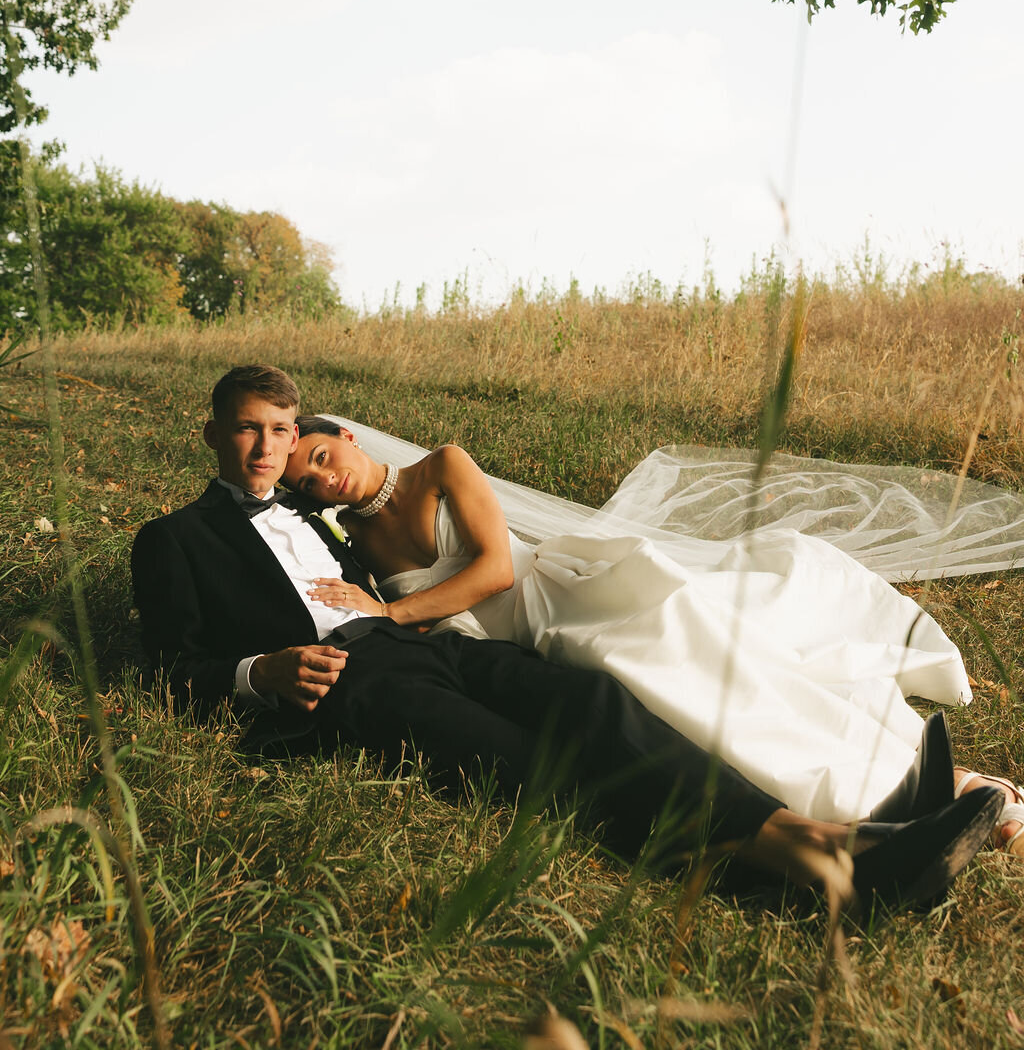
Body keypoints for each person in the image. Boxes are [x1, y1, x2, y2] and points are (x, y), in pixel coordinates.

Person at [131, 363, 1003, 915]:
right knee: (532, 762)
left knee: (598, 705)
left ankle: (843, 846)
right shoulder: (174, 539)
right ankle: (819, 864)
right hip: (353, 681)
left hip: (442, 644)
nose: (268, 447)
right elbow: (172, 663)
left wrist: (391, 608)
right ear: (213, 432)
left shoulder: (319, 515)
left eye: (282, 432)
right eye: (248, 428)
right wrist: (259, 673)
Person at [282, 414, 1024, 846]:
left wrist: (389, 612)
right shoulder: (355, 545)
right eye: (307, 482)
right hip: (530, 646)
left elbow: (495, 573)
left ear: (347, 436)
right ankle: (880, 808)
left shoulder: (442, 466)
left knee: (724, 678)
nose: (324, 476)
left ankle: (939, 781)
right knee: (682, 720)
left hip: (580, 596)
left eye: (322, 456)